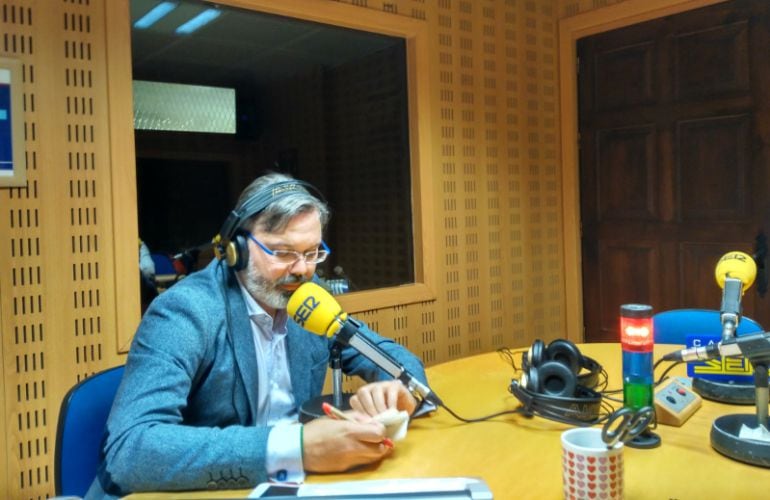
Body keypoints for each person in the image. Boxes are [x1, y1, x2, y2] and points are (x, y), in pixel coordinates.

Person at [87, 173, 429, 498]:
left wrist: (398, 389)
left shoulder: (308, 299)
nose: (301, 269)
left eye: (312, 253)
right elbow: (129, 450)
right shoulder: (185, 312)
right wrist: (298, 448)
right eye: (283, 253)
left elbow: (391, 357)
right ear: (236, 249)